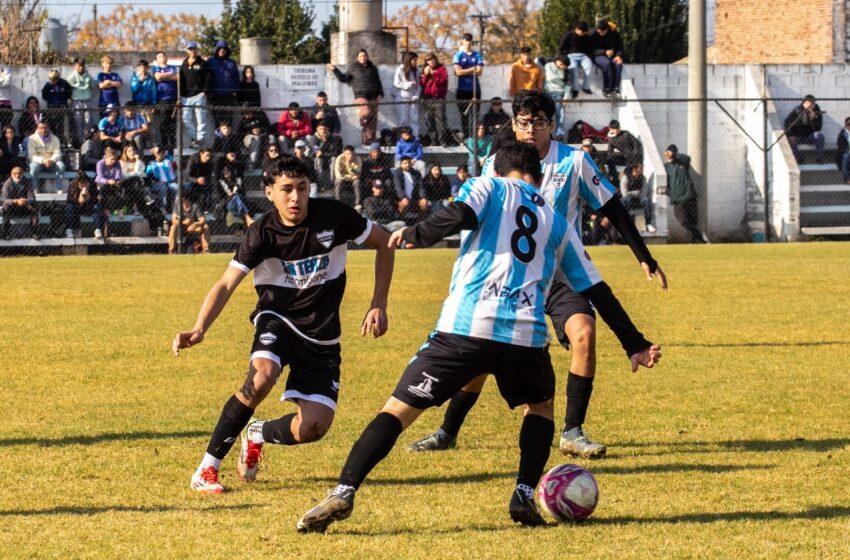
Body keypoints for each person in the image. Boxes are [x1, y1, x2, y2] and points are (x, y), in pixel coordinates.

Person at [296, 141, 661, 533]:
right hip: (525, 337)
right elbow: (596, 290)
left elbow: (458, 213)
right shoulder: (558, 221)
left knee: (397, 412)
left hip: (465, 329)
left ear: (499, 169)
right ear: (537, 175)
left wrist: (418, 233)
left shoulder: (490, 186)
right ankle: (523, 493)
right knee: (539, 409)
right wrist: (634, 343)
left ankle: (345, 489)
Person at [409, 91, 666, 457]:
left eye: (539, 122)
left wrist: (644, 256)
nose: (530, 130)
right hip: (511, 278)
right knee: (482, 350)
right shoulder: (498, 162)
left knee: (584, 332)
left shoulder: (574, 161)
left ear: (551, 124)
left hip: (561, 277)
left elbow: (613, 206)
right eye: (523, 122)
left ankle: (573, 432)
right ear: (514, 124)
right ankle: (448, 431)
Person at [172, 155, 393, 493]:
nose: (295, 197)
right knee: (261, 377)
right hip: (277, 319)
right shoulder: (261, 233)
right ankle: (207, 469)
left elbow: (384, 243)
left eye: (302, 188)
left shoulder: (334, 216)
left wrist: (378, 303)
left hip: (322, 335)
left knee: (314, 428)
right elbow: (226, 283)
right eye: (286, 189)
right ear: (270, 193)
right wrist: (200, 328)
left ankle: (257, 433)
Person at [327, 50, 384, 145]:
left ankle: (368, 143)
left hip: (374, 95)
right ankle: (362, 117)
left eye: (365, 56)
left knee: (372, 122)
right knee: (366, 112)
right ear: (358, 58)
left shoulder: (373, 68)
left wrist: (380, 93)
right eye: (361, 56)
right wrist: (334, 69)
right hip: (360, 95)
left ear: (367, 57)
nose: (363, 57)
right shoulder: (353, 68)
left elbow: (378, 81)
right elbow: (343, 78)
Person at [664, 144, 707, 244]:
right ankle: (700, 238)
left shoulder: (682, 162)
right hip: (678, 198)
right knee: (683, 220)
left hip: (689, 195)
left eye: (670, 152)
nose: (667, 155)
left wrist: (674, 154)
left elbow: (687, 158)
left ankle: (692, 241)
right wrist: (671, 193)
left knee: (692, 220)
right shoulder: (666, 167)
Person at [453, 33, 484, 139]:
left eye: (470, 40)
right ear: (462, 41)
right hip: (462, 90)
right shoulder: (458, 55)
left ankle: (474, 137)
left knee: (475, 115)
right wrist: (472, 69)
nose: (468, 42)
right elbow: (458, 72)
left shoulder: (477, 55)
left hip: (475, 90)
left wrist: (464, 70)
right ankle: (466, 137)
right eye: (466, 40)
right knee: (464, 115)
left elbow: (479, 72)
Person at [180, 41, 211, 149]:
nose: (192, 51)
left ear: (197, 50)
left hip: (199, 94)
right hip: (186, 96)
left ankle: (200, 140)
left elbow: (208, 78)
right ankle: (194, 139)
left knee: (201, 119)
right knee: (186, 119)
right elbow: (180, 79)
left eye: (194, 49)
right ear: (187, 51)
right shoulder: (184, 63)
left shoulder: (203, 63)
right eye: (190, 49)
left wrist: (204, 92)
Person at [205, 40, 241, 128]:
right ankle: (219, 140)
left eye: (224, 48)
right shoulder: (211, 61)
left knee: (229, 120)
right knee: (217, 119)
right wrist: (208, 92)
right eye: (220, 48)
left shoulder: (231, 62)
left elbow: (236, 78)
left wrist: (235, 91)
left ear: (227, 50)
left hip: (229, 96)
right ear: (216, 50)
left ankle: (228, 141)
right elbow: (206, 77)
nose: (222, 50)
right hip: (215, 96)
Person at [783, 94, 825, 163]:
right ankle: (799, 158)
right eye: (809, 103)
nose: (812, 106)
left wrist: (813, 119)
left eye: (813, 104)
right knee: (788, 140)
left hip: (810, 136)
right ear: (804, 103)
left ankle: (819, 158)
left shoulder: (817, 110)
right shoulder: (798, 109)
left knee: (819, 135)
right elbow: (787, 122)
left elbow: (818, 128)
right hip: (798, 137)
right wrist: (790, 135)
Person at [151, 51, 179, 151]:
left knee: (172, 124)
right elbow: (158, 76)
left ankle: (172, 145)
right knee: (163, 123)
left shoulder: (173, 67)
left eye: (164, 55)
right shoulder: (155, 68)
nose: (162, 57)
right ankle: (164, 146)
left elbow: (178, 77)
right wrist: (171, 75)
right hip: (162, 100)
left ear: (167, 57)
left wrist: (164, 76)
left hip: (174, 100)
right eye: (159, 56)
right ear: (157, 59)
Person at [420, 53, 449, 146]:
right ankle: (433, 140)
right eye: (428, 60)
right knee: (429, 120)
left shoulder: (441, 69)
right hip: (427, 99)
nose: (431, 62)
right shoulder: (425, 69)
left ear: (435, 59)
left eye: (432, 59)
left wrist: (434, 73)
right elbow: (421, 84)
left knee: (441, 120)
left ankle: (442, 140)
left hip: (439, 98)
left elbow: (443, 80)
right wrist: (425, 75)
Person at [28, 121, 66, 192]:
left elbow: (57, 153)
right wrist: (43, 161)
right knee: (33, 167)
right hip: (38, 163)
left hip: (52, 163)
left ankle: (59, 188)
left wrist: (51, 160)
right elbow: (32, 155)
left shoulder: (55, 138)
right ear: (37, 128)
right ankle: (35, 189)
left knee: (61, 165)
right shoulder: (31, 139)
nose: (43, 130)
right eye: (41, 128)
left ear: (48, 128)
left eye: (45, 128)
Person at [591, 18, 625, 98]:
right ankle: (607, 89)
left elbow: (620, 46)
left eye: (603, 31)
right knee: (607, 64)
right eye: (599, 30)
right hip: (597, 55)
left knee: (618, 65)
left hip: (612, 55)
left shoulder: (614, 33)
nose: (600, 32)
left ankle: (615, 89)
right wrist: (604, 52)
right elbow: (590, 50)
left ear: (607, 29)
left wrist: (618, 56)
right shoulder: (592, 34)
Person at [64, 170, 103, 238]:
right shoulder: (72, 185)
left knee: (96, 207)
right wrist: (78, 201)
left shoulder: (92, 185)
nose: (83, 185)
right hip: (76, 207)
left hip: (88, 207)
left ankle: (98, 229)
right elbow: (69, 200)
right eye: (81, 184)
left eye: (85, 183)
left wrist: (89, 198)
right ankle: (69, 230)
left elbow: (96, 199)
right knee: (69, 207)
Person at [559, 21, 594, 98]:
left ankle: (586, 87)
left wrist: (589, 57)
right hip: (571, 55)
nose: (584, 33)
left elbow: (590, 49)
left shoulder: (586, 37)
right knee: (574, 69)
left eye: (585, 31)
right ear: (577, 29)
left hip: (583, 56)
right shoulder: (569, 35)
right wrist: (564, 57)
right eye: (582, 31)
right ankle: (575, 89)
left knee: (589, 66)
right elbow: (562, 47)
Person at [1, 166, 37, 239]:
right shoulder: (7, 183)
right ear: (11, 174)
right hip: (12, 209)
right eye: (15, 173)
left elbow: (32, 198)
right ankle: (6, 233)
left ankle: (34, 232)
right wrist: (16, 201)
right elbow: (4, 199)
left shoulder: (27, 182)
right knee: (5, 205)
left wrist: (25, 201)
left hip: (24, 207)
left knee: (35, 206)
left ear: (23, 174)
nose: (17, 175)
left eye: (20, 173)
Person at [67, 58, 96, 147]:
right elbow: (68, 89)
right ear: (75, 66)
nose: (81, 68)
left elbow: (93, 87)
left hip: (87, 100)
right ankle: (80, 142)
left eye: (82, 65)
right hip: (76, 101)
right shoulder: (71, 77)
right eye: (79, 66)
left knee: (89, 121)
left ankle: (88, 141)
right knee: (78, 122)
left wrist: (90, 96)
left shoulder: (89, 77)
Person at [619, 163, 655, 233]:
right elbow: (624, 194)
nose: (640, 170)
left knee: (646, 200)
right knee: (625, 200)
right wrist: (636, 192)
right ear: (634, 170)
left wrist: (633, 193)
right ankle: (625, 223)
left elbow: (644, 193)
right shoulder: (625, 178)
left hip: (639, 199)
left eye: (641, 169)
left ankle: (648, 224)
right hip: (628, 199)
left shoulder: (643, 178)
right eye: (639, 169)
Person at [392, 52, 420, 136]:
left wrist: (416, 95)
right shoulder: (400, 69)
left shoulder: (416, 70)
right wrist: (408, 84)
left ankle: (416, 138)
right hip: (402, 98)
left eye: (416, 60)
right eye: (414, 60)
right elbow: (396, 83)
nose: (415, 62)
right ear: (409, 60)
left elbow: (419, 86)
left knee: (414, 119)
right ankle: (403, 139)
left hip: (413, 99)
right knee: (403, 120)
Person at [41, 68, 72, 145]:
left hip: (61, 107)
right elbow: (44, 95)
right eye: (50, 79)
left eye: (53, 79)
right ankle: (50, 142)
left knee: (60, 127)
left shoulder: (64, 84)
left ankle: (61, 142)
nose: (52, 81)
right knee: (51, 126)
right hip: (51, 108)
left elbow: (68, 94)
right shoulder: (48, 85)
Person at [95, 147, 122, 232]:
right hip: (102, 183)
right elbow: (100, 177)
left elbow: (118, 175)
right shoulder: (100, 163)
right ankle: (106, 209)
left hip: (113, 184)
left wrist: (117, 181)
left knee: (121, 189)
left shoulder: (117, 163)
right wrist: (108, 181)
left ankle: (119, 209)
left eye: (115, 159)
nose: (113, 161)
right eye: (112, 159)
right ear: (106, 157)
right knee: (104, 189)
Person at [146, 145, 178, 217]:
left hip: (170, 182)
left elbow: (170, 148)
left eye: (161, 152)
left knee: (176, 187)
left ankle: (176, 209)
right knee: (163, 187)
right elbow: (148, 175)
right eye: (157, 153)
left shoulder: (168, 159)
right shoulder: (150, 163)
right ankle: (163, 207)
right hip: (158, 183)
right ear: (154, 154)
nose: (160, 154)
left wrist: (160, 147)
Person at [392, 156, 426, 222]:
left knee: (424, 205)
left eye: (409, 163)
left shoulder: (416, 174)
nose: (407, 164)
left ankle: (420, 224)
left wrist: (423, 197)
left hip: (414, 199)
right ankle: (399, 222)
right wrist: (403, 197)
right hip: (401, 199)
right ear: (401, 164)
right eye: (405, 163)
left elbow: (421, 187)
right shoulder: (397, 174)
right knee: (404, 204)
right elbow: (398, 187)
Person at [543, 57, 569, 138]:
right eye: (562, 64)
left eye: (564, 66)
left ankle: (559, 134)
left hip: (559, 93)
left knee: (560, 115)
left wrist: (566, 97)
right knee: (546, 115)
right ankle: (546, 134)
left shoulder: (566, 71)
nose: (563, 67)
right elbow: (538, 60)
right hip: (547, 93)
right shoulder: (547, 65)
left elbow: (568, 84)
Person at [312, 122, 343, 190]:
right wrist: (323, 142)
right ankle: (321, 183)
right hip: (317, 159)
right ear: (317, 130)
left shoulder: (332, 138)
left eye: (325, 129)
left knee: (334, 159)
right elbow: (317, 153)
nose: (323, 131)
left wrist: (323, 154)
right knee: (319, 160)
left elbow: (334, 153)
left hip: (328, 158)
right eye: (321, 129)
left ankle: (332, 182)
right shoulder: (314, 139)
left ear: (328, 129)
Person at [836, 117, 850, 184]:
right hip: (846, 152)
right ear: (846, 125)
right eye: (848, 124)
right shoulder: (843, 133)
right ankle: (847, 179)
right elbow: (840, 144)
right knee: (846, 157)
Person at [0, 64, 11, 130]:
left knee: (6, 127)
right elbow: (5, 82)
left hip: (5, 101)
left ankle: (4, 140)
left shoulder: (6, 69)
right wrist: (2, 79)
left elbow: (7, 83)